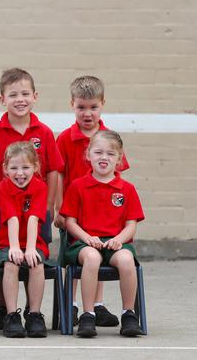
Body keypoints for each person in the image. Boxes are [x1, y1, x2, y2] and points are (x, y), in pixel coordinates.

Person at [0, 68, 64, 328]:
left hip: (35, 210)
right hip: (5, 212)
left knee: (33, 259)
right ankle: (6, 309)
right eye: (13, 94)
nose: (20, 99)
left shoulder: (44, 132)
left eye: (25, 93)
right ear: (2, 99)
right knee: (9, 259)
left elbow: (54, 170)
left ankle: (33, 313)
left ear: (35, 96)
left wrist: (48, 208)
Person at [54, 75, 128, 327]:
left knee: (100, 252)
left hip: (102, 213)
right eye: (81, 107)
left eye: (93, 107)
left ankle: (96, 305)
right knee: (79, 257)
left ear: (102, 104)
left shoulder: (110, 138)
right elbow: (59, 174)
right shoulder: (64, 138)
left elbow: (118, 177)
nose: (87, 113)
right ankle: (73, 305)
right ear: (72, 104)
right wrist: (58, 209)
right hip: (73, 212)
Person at [60, 130, 144, 338]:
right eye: (98, 152)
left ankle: (128, 314)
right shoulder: (77, 186)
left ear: (119, 160)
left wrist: (119, 240)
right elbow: (69, 222)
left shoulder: (127, 189)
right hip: (85, 243)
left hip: (115, 242)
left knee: (126, 260)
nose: (104, 157)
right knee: (91, 257)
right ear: (88, 155)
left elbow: (131, 225)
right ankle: (88, 314)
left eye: (110, 154)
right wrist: (86, 238)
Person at [0, 141, 48, 338]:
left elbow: (33, 219)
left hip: (33, 242)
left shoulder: (40, 187)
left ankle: (34, 314)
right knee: (11, 263)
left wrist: (30, 249)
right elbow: (12, 218)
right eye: (14, 168)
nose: (19, 173)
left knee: (36, 264)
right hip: (6, 242)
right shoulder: (4, 187)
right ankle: (11, 315)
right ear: (5, 169)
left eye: (25, 167)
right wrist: (14, 247)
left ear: (35, 167)